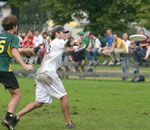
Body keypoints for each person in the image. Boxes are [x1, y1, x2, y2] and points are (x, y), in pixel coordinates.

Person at [11, 25, 77, 129]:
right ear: (57, 34)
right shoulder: (58, 41)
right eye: (63, 32)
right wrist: (75, 43)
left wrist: (39, 78)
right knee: (63, 96)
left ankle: (15, 117)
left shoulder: (52, 45)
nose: (65, 34)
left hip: (41, 73)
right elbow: (68, 43)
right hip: (48, 73)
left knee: (39, 103)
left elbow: (46, 60)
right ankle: (68, 123)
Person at [0, 15, 33, 130]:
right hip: (4, 69)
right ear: (14, 27)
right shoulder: (14, 37)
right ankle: (8, 119)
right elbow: (14, 51)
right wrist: (24, 64)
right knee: (16, 94)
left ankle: (8, 119)